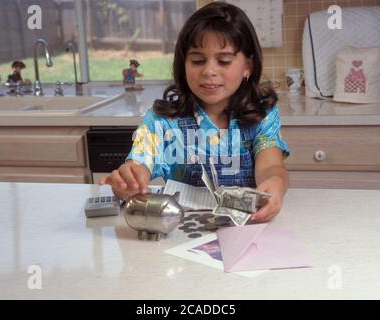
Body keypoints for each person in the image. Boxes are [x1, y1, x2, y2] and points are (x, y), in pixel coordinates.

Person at [100, 2, 290, 222]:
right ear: (184, 64)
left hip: (247, 229)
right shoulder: (162, 121)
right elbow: (138, 166)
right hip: (180, 234)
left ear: (248, 65)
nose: (209, 71)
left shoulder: (262, 115)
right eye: (197, 60)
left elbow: (271, 166)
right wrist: (128, 182)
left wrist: (276, 183)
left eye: (224, 61)